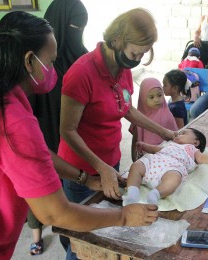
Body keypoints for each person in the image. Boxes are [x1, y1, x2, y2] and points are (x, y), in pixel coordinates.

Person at [0, 11, 158, 260]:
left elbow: (37, 154)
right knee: (81, 244)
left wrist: (85, 178)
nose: (55, 70)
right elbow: (55, 213)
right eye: (52, 61)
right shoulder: (13, 119)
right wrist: (124, 216)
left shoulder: (7, 100)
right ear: (28, 61)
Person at [58, 8, 174, 259]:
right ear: (117, 40)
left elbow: (126, 108)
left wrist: (165, 131)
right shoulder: (82, 73)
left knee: (108, 233)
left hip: (110, 162)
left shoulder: (122, 69)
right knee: (83, 237)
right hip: (81, 169)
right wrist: (99, 167)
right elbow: (67, 131)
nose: (137, 58)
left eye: (142, 54)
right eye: (135, 52)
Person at [26, 0, 89, 254]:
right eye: (74, 26)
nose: (77, 34)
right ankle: (36, 234)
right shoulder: (36, 67)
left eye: (82, 28)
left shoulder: (83, 61)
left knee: (73, 217)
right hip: (40, 140)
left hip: (71, 147)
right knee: (39, 191)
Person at [123, 128, 208, 205]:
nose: (178, 134)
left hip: (171, 169)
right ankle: (133, 194)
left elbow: (201, 158)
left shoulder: (192, 149)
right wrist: (144, 146)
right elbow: (156, 149)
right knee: (136, 166)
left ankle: (156, 194)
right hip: (153, 163)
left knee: (174, 179)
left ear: (196, 143)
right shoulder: (170, 145)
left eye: (183, 133)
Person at [131, 78, 178, 161]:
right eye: (151, 97)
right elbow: (135, 141)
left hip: (167, 155)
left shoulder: (167, 114)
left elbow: (175, 136)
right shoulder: (139, 118)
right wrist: (134, 159)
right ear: (143, 97)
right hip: (148, 157)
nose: (156, 100)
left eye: (159, 95)